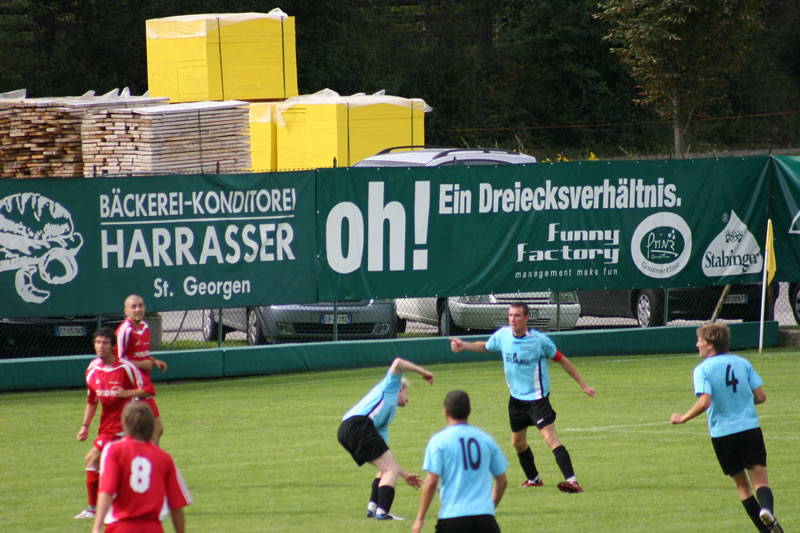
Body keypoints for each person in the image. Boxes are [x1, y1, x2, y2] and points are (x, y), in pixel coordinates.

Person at [450, 302, 595, 493]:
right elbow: (486, 346)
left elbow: (562, 360)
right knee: (517, 442)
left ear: (526, 318)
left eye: (517, 315)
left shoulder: (539, 341)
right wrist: (464, 345)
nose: (512, 319)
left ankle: (572, 481)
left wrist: (582, 384)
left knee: (550, 439)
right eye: (510, 315)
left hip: (537, 400)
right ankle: (534, 479)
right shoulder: (503, 336)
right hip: (516, 400)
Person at [670, 323, 783, 533]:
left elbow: (705, 401)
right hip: (750, 429)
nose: (697, 345)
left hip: (723, 434)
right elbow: (761, 396)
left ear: (710, 345)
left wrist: (683, 418)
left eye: (700, 341)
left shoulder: (702, 369)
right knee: (761, 482)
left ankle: (766, 530)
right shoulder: (742, 363)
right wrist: (741, 402)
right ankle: (766, 509)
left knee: (742, 486)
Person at [337, 357, 434, 520]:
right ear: (401, 388)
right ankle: (383, 513)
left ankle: (373, 508)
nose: (408, 399)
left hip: (346, 430)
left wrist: (405, 475)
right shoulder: (392, 384)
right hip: (358, 424)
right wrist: (424, 373)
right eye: (407, 392)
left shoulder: (385, 417)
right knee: (390, 470)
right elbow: (398, 362)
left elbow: (389, 463)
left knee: (385, 469)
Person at [75, 327, 154, 519]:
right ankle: (130, 503)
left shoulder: (125, 368)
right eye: (98, 343)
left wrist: (127, 393)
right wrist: (85, 426)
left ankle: (94, 510)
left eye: (105, 343)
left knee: (92, 459)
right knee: (112, 467)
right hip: (106, 427)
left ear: (113, 347)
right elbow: (92, 401)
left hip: (123, 427)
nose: (101, 346)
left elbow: (149, 389)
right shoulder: (92, 370)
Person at [412, 390, 508, 533]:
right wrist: (489, 506)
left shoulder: (438, 442)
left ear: (446, 412)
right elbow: (502, 481)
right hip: (485, 520)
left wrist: (420, 518)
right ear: (469, 411)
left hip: (453, 518)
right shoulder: (486, 439)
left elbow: (432, 482)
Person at [92, 401, 192, 533]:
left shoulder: (114, 450)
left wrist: (97, 526)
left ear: (124, 424)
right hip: (153, 528)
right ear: (151, 426)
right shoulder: (164, 458)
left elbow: (107, 491)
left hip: (121, 527)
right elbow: (176, 507)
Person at [116, 294, 167, 444]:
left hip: (144, 383)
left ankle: (151, 461)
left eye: (140, 305)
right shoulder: (124, 331)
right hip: (132, 386)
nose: (138, 309)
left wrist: (154, 361)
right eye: (133, 306)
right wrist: (142, 364)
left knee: (157, 429)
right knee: (137, 432)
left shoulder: (145, 327)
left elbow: (141, 354)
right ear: (126, 311)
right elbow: (119, 361)